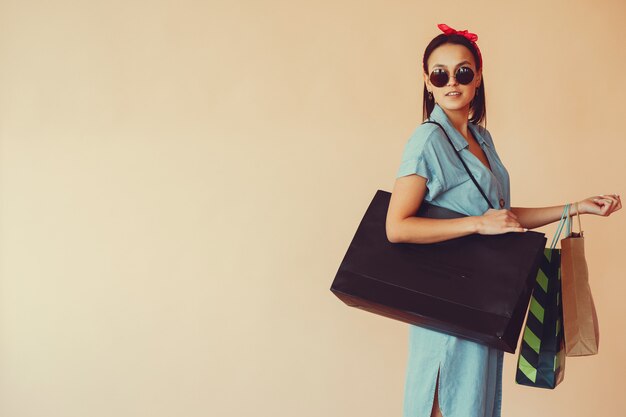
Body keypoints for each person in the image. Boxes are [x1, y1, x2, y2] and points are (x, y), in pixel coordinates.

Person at [385, 23, 621, 417]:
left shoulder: (482, 139)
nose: (451, 82)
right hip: (449, 304)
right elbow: (397, 226)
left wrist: (575, 207)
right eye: (439, 74)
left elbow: (503, 217)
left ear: (477, 77)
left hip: (483, 299)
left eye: (462, 71)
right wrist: (475, 224)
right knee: (449, 401)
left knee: (477, 404)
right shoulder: (427, 140)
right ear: (428, 82)